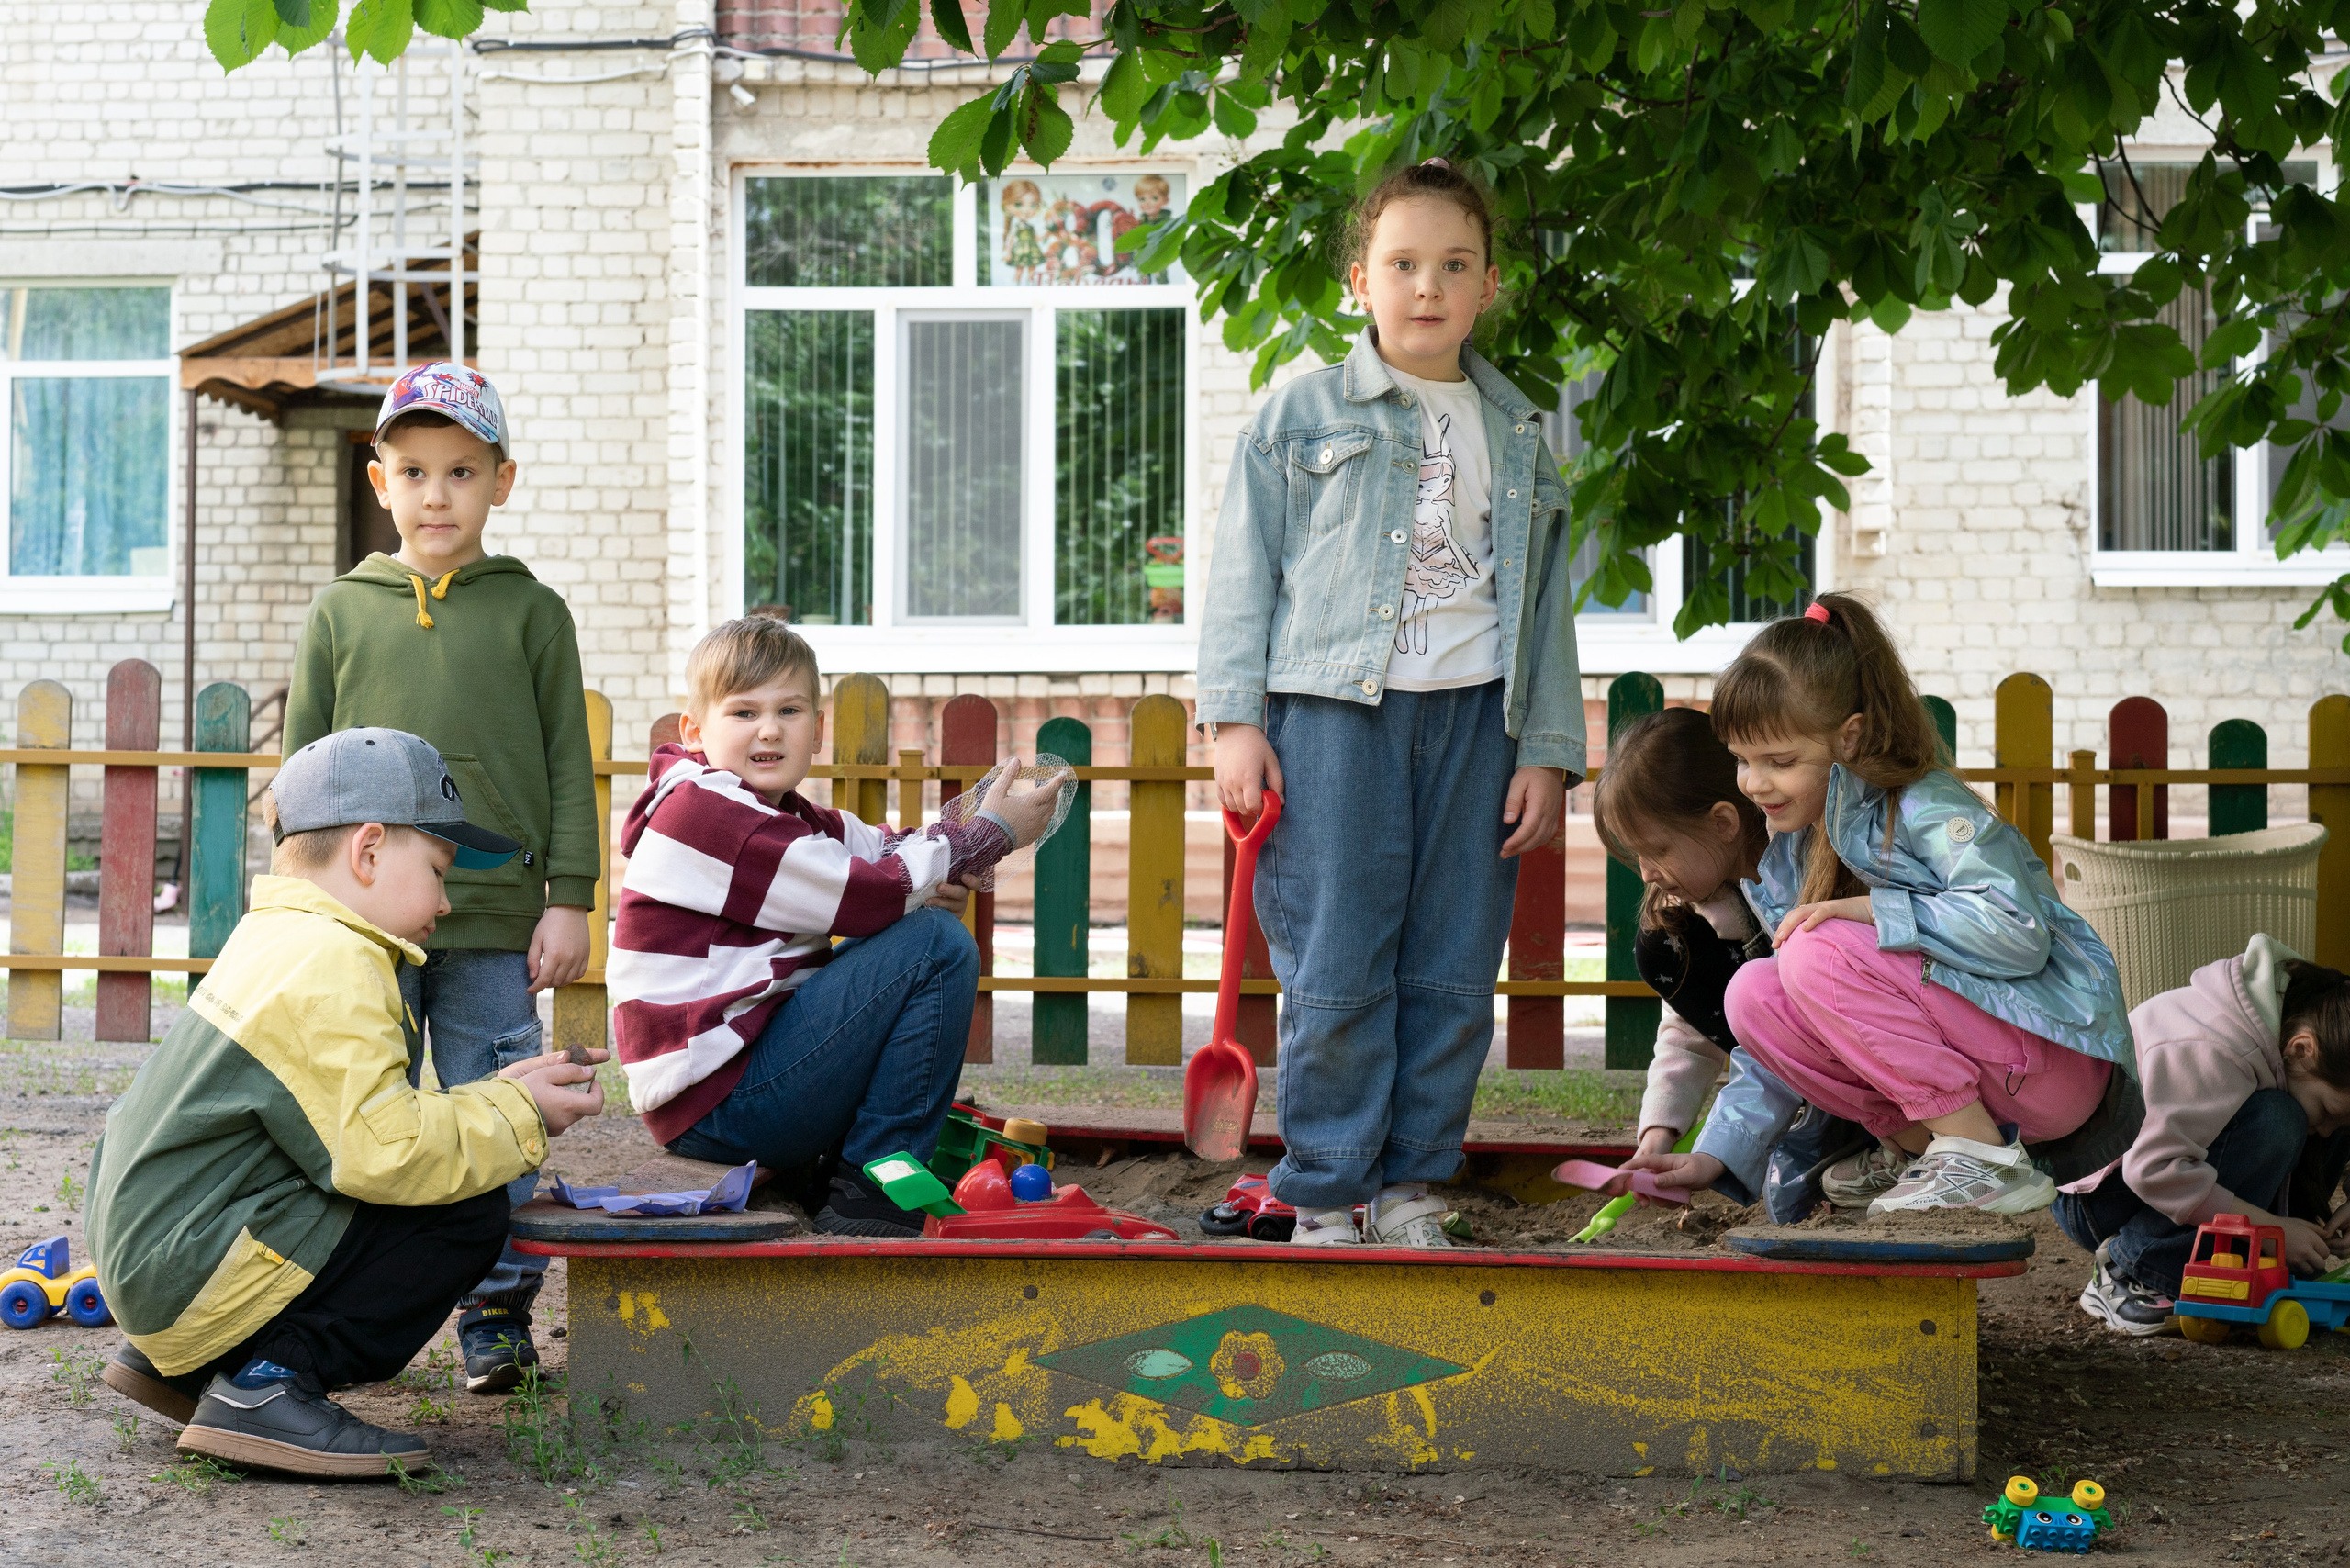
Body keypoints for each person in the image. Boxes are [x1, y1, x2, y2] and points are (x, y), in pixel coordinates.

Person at [1196, 159, 1583, 1249]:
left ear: (1490, 285)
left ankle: (1411, 1181)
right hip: (1334, 720)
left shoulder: (1516, 432)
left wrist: (1546, 750)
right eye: (1403, 263)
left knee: (1455, 961)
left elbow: (1546, 605)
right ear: (1358, 281)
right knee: (1336, 958)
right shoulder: (1300, 411)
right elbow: (1244, 571)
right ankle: (1324, 1187)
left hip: (1475, 722)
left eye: (1453, 265)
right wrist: (1236, 720)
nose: (1428, 286)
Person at [86, 729, 605, 1477]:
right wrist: (518, 1114)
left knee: (407, 1177)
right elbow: (385, 1152)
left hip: (159, 1258)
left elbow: (335, 1124)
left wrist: (501, 1094)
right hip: (186, 1272)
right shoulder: (338, 961)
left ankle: (188, 1363)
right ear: (367, 852)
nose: (448, 899)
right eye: (437, 868)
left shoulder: (280, 935)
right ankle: (268, 1381)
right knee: (462, 1212)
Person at [283, 362, 599, 1394]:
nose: (435, 494)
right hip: (366, 932)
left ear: (500, 481)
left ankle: (497, 1316)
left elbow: (564, 762)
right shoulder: (341, 611)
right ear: (379, 481)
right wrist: (300, 902)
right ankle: (334, 1303)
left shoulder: (533, 614)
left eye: (461, 471)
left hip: (497, 922)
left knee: (501, 1114)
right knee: (355, 1114)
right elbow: (307, 772)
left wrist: (569, 894)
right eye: (413, 470)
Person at [608, 617, 1068, 1236]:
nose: (769, 730)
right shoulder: (708, 816)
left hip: (731, 1085)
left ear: (817, 729)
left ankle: (851, 1170)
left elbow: (881, 849)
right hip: (722, 1103)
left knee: (911, 931)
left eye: (789, 710)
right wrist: (987, 836)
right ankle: (874, 1189)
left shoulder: (783, 815)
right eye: (743, 713)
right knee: (933, 945)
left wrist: (954, 851)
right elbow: (865, 892)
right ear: (696, 730)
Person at [1704, 591, 2132, 1215]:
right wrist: (1719, 1148)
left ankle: (1974, 1153)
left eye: (1780, 761)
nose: (1753, 782)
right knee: (1753, 993)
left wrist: (1878, 909)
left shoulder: (1927, 805)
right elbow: (1802, 1019)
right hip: (1984, 1066)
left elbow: (2017, 930)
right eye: (1742, 760)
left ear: (1848, 738)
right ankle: (1916, 1150)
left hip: (2053, 1060)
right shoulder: (1798, 845)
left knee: (1812, 951)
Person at [1591, 708, 1868, 1221]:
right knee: (1662, 948)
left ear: (1722, 822)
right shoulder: (1702, 914)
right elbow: (1691, 1030)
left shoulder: (1809, 886)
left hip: (1868, 1052)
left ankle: (1859, 1128)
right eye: (1636, 858)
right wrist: (1659, 1133)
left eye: (1657, 850)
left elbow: (1787, 1022)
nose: (1648, 874)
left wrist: (1722, 1146)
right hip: (1798, 1056)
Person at [2056, 937, 2350, 1335]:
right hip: (2099, 1194)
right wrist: (2271, 1231)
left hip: (2165, 1170)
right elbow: (2151, 1169)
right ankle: (2134, 1269)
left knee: (2312, 1116)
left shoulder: (2305, 1014)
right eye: (2328, 1112)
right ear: (2302, 1049)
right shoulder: (2215, 1048)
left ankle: (2266, 1266)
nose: (2329, 1129)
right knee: (2281, 1119)